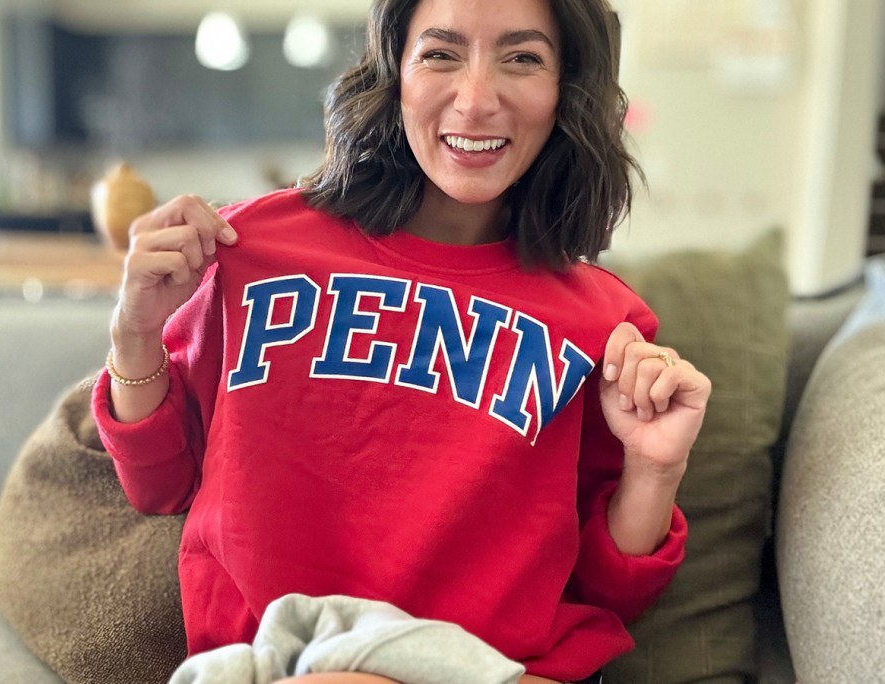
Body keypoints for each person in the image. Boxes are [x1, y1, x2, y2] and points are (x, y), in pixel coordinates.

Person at [91, 0, 711, 682]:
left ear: (568, 91)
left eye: (523, 58)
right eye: (439, 54)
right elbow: (160, 486)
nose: (475, 101)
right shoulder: (250, 249)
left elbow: (610, 594)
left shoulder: (606, 325)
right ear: (394, 76)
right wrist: (135, 334)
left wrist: (655, 469)